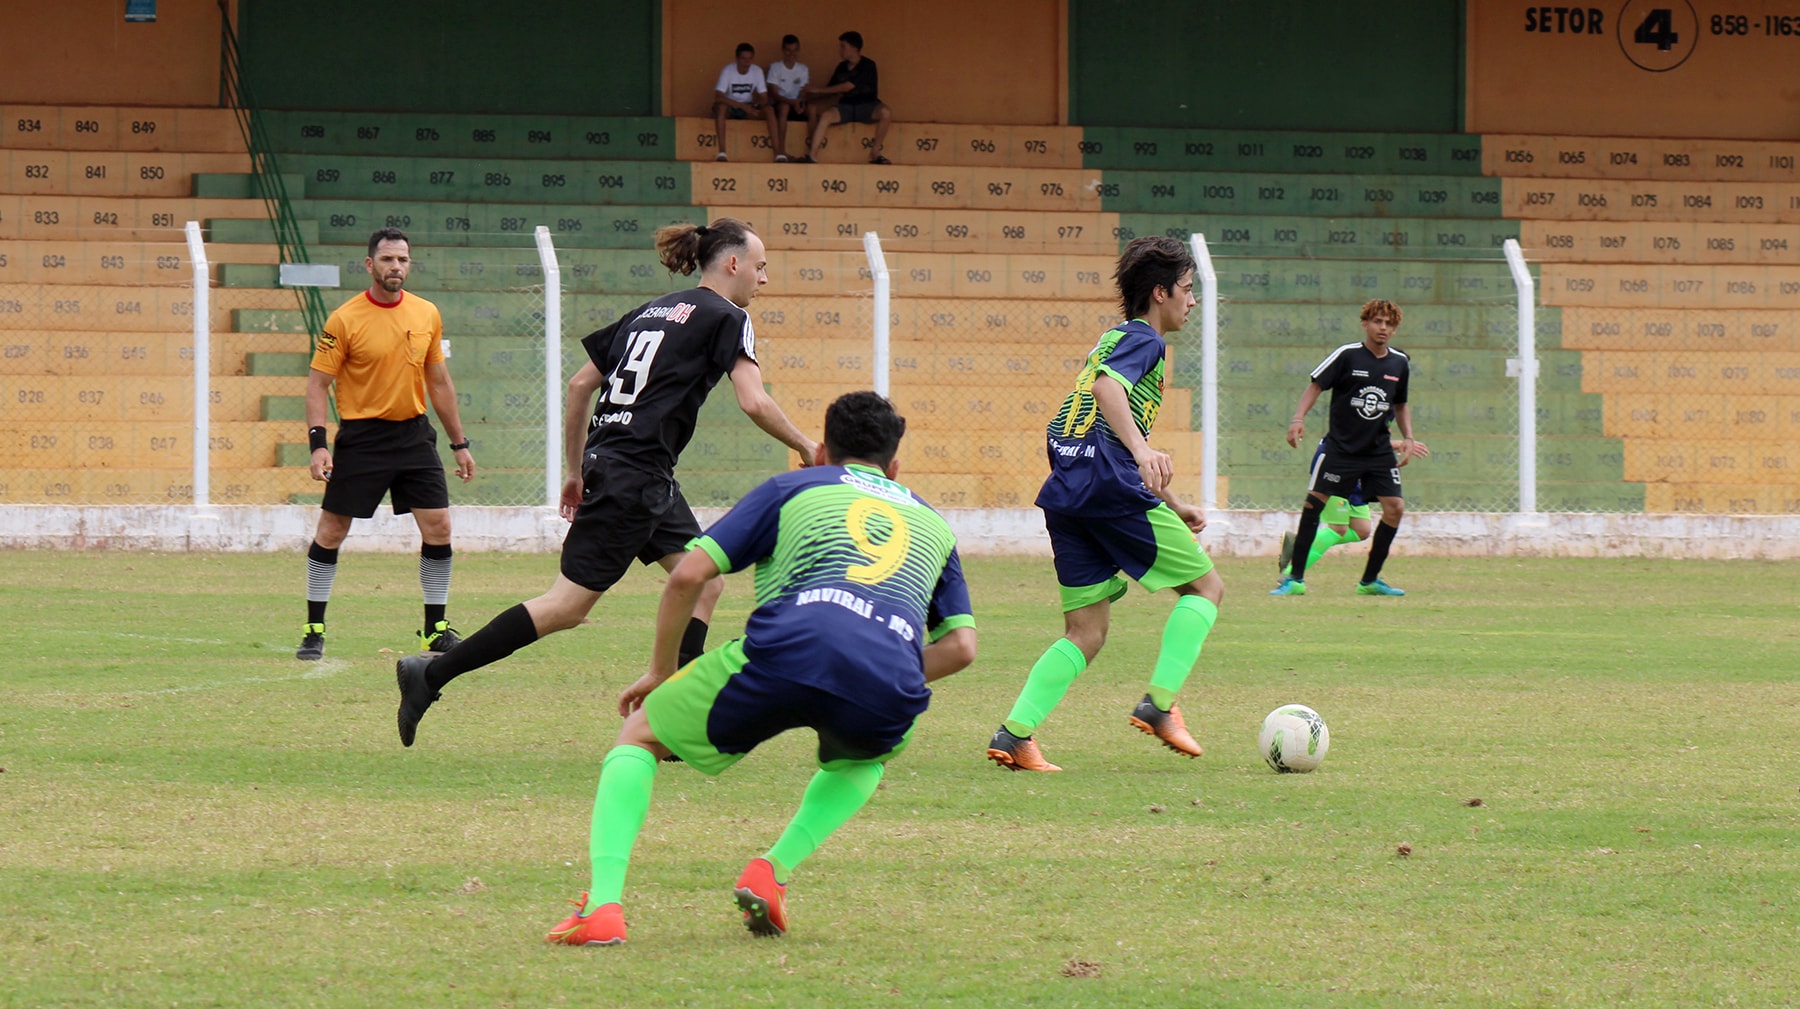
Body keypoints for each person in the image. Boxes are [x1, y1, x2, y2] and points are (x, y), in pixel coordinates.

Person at [545, 391, 977, 946]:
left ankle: (602, 906)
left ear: (821, 452)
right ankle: (772, 871)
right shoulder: (936, 527)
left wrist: (660, 672)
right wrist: (883, 662)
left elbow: (687, 577)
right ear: (895, 468)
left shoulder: (792, 486)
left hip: (788, 649)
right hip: (888, 677)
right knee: (864, 759)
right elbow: (962, 647)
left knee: (640, 733)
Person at [393, 218, 818, 747]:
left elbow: (580, 386)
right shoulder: (727, 315)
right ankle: (429, 675)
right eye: (759, 267)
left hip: (628, 468)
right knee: (567, 606)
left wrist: (575, 471)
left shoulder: (651, 311)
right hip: (635, 475)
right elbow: (753, 399)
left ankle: (675, 723)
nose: (763, 279)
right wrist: (806, 446)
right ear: (733, 264)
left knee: (705, 581)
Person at [985, 236, 1223, 773]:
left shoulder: (1113, 338)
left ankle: (1015, 735)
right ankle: (1160, 705)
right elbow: (1106, 393)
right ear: (1160, 293)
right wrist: (1142, 451)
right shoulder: (1144, 341)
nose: (1192, 300)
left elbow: (1105, 425)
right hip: (1108, 487)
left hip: (1069, 492)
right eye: (1187, 290)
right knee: (1206, 587)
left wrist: (1175, 501)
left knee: (1085, 632)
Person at [297, 227, 475, 661]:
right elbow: (318, 384)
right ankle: (314, 629)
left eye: (403, 260)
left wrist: (459, 443)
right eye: (388, 260)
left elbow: (439, 381)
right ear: (370, 265)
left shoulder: (426, 314)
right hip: (362, 439)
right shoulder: (344, 319)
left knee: (440, 528)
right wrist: (318, 444)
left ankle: (435, 631)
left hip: (414, 435)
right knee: (332, 531)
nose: (396, 267)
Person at [1270, 299, 1427, 598]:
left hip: (1378, 452)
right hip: (1341, 449)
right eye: (1377, 321)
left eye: (1389, 324)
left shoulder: (1399, 364)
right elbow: (1315, 384)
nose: (1383, 328)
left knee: (1395, 508)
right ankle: (1295, 579)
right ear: (1366, 323)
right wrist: (1297, 418)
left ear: (1395, 329)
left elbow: (1401, 404)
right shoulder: (1347, 355)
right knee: (1313, 505)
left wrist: (1408, 437)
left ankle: (1369, 580)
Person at [797, 31, 892, 165]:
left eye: (843, 46)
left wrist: (816, 89)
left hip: (868, 106)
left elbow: (847, 87)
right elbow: (830, 90)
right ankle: (812, 155)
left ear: (854, 48)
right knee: (825, 116)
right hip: (846, 107)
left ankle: (875, 152)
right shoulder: (841, 67)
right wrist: (808, 96)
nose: (840, 50)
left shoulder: (868, 65)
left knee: (886, 112)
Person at [712, 42, 780, 162]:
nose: (747, 62)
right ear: (737, 58)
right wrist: (741, 106)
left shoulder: (756, 71)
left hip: (747, 106)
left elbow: (764, 96)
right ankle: (722, 152)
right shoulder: (728, 70)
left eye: (750, 59)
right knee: (721, 108)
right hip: (730, 106)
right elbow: (718, 96)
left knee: (769, 109)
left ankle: (778, 153)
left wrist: (758, 105)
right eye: (743, 59)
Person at [764, 34, 810, 163]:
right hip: (781, 104)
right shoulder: (775, 67)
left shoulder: (803, 69)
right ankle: (781, 151)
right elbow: (774, 94)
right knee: (784, 108)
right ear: (783, 50)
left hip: (796, 105)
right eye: (788, 50)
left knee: (812, 110)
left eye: (795, 50)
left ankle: (811, 153)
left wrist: (800, 103)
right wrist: (792, 102)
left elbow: (804, 92)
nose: (792, 53)